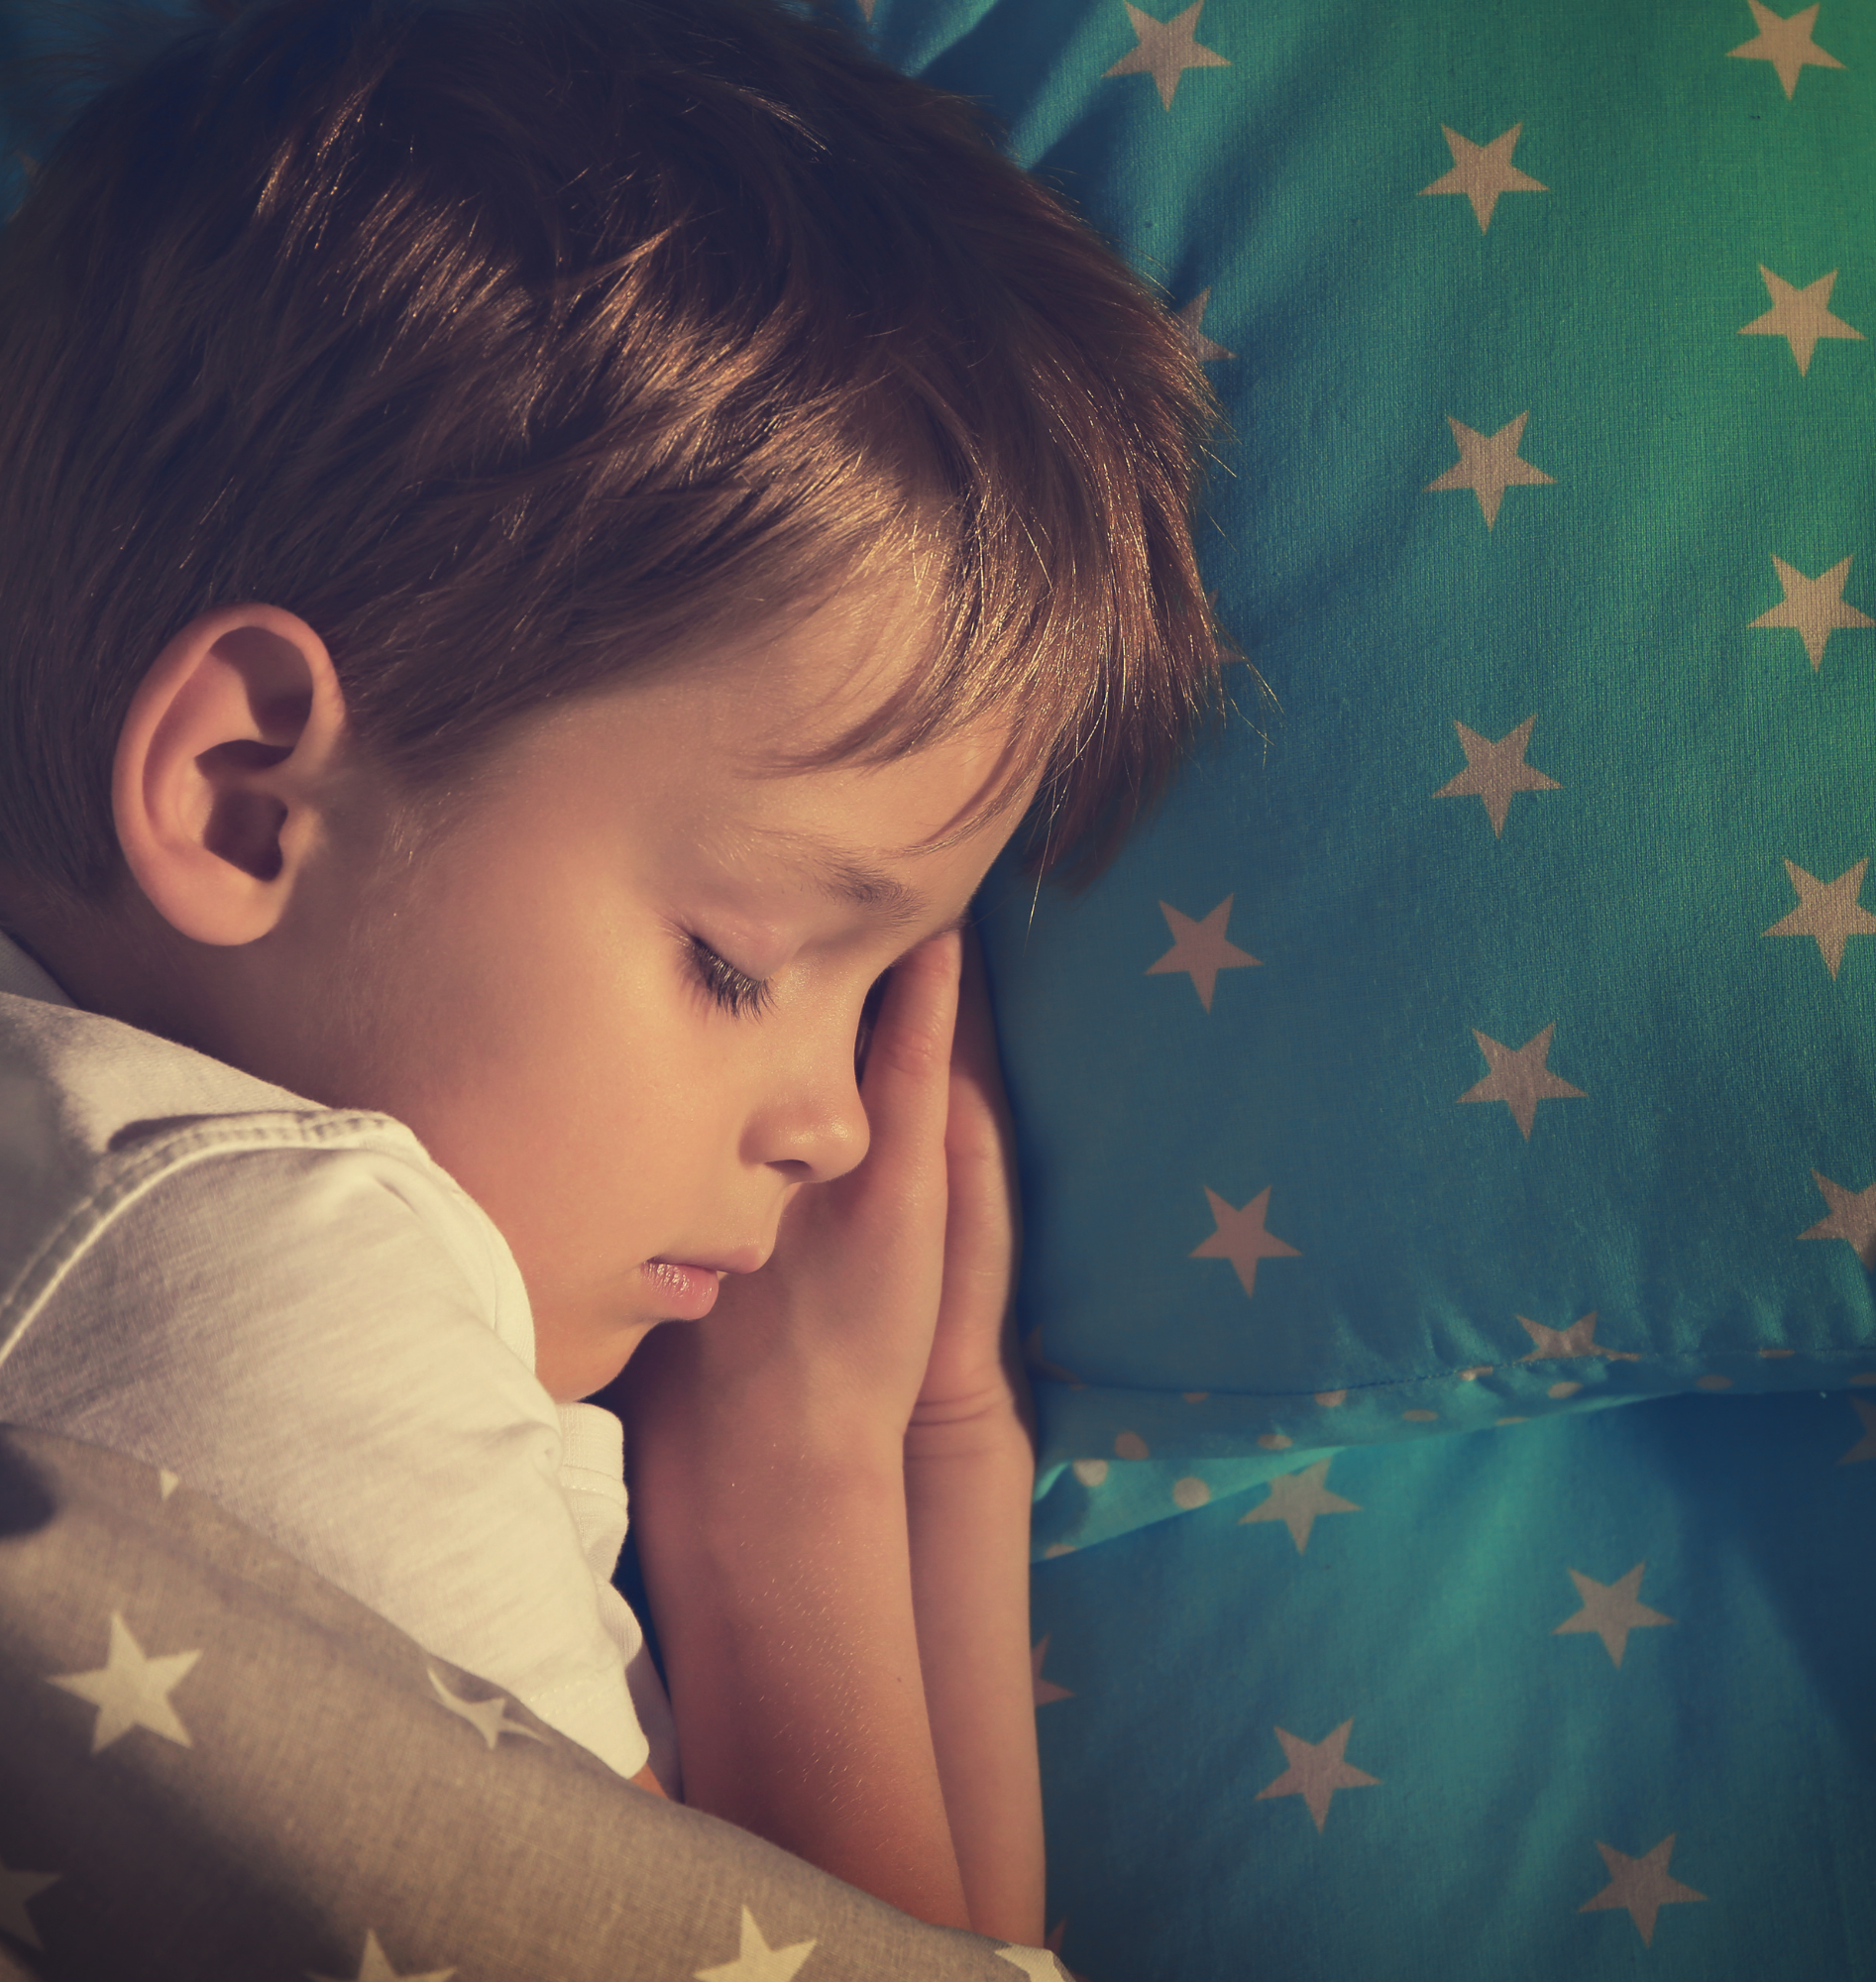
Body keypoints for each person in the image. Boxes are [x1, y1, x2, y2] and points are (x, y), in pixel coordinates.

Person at [0, 0, 1222, 1946]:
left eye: (891, 980)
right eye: (742, 960)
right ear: (247, 797)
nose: (834, 1121)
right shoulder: (254, 1264)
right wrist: (792, 1489)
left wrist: (938, 1443)